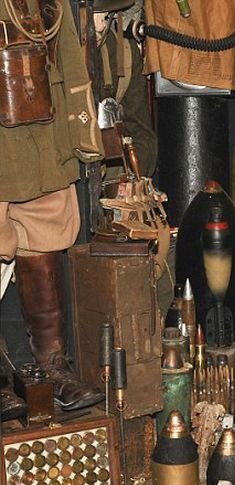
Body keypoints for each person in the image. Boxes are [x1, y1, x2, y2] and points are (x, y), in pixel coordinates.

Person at [0, 0, 106, 417]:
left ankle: (52, 368)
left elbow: (67, 56)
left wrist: (80, 135)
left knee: (45, 232)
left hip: (40, 127)